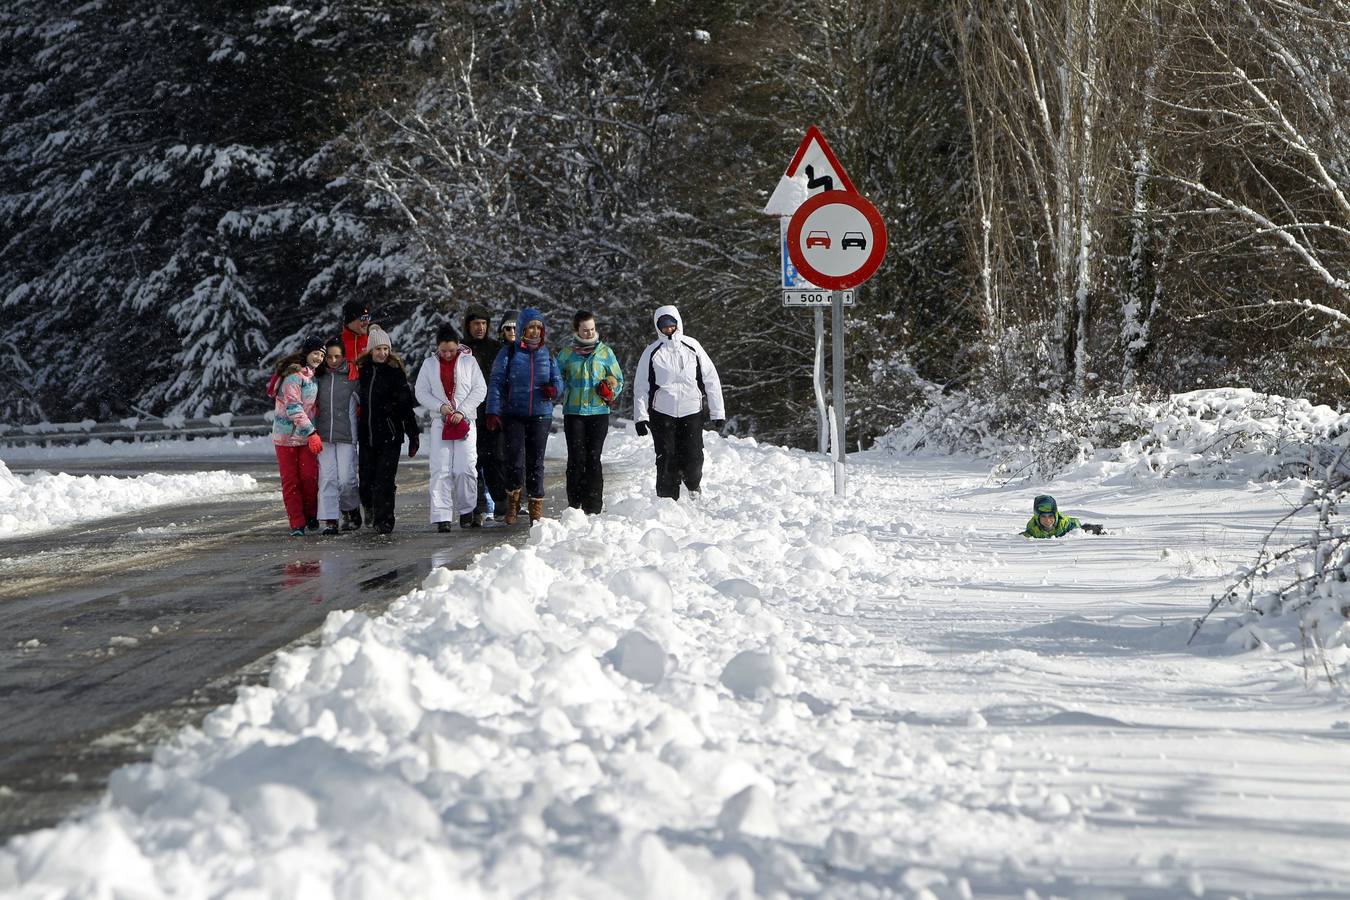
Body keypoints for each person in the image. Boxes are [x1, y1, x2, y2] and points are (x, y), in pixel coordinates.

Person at [632, 304, 725, 500]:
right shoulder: (651, 352)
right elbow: (641, 387)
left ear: (678, 324)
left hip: (691, 410)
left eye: (671, 325)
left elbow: (711, 379)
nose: (668, 329)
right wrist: (641, 417)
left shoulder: (693, 346)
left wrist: (718, 412)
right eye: (663, 326)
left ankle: (693, 484)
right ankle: (667, 500)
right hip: (662, 412)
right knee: (666, 457)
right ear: (658, 327)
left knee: (693, 457)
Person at [485, 308, 562, 525]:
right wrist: (493, 410)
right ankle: (513, 503)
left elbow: (558, 381)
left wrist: (553, 390)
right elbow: (497, 382)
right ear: (522, 329)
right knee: (515, 462)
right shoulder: (509, 353)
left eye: (539, 327)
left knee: (536, 463)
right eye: (531, 327)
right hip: (514, 415)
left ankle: (536, 506)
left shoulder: (548, 354)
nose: (535, 331)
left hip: (541, 415)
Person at [415, 323, 488, 532]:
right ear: (437, 347)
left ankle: (467, 509)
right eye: (443, 350)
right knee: (441, 469)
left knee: (465, 468)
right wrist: (441, 407)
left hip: (465, 421)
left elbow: (480, 389)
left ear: (458, 346)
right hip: (441, 421)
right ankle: (442, 515)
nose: (448, 354)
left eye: (452, 350)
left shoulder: (469, 362)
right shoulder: (429, 365)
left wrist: (462, 411)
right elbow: (421, 392)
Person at [556, 310, 624, 514]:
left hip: (598, 413)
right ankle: (575, 504)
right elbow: (556, 379)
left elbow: (618, 380)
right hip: (574, 413)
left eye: (592, 329)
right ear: (576, 330)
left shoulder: (605, 353)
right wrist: (553, 389)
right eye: (585, 330)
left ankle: (593, 505)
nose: (589, 333)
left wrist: (610, 390)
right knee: (576, 457)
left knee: (593, 457)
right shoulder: (567, 354)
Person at [356, 325, 420, 535]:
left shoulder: (395, 374)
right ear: (370, 351)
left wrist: (413, 434)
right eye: (378, 349)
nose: (382, 353)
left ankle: (385, 520)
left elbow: (406, 407)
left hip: (390, 435)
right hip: (367, 436)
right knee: (366, 480)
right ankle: (371, 509)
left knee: (384, 480)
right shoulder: (362, 372)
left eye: (385, 349)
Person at [269, 337, 325, 536]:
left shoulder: (313, 376)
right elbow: (293, 407)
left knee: (310, 478)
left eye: (321, 354)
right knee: (291, 481)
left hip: (303, 437)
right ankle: (297, 523)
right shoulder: (294, 376)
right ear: (307, 353)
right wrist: (311, 431)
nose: (318, 357)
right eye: (315, 353)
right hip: (286, 438)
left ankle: (311, 515)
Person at [462, 305, 506, 526]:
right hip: (469, 413)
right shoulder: (461, 350)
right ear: (468, 325)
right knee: (472, 461)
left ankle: (500, 501)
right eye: (475, 324)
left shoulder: (496, 348)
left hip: (493, 411)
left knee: (495, 458)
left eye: (483, 324)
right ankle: (476, 506)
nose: (480, 328)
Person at [313, 338, 362, 534]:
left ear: (344, 356)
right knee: (327, 478)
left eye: (337, 356)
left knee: (347, 479)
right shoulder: (318, 377)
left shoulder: (352, 377)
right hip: (323, 435)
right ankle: (330, 519)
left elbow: (365, 401)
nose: (333, 360)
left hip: (347, 436)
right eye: (329, 356)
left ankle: (351, 509)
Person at [1021, 494, 1105, 538]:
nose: (1047, 520)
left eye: (1050, 516)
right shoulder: (1032, 527)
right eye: (1043, 517)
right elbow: (1023, 537)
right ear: (1037, 517)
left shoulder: (1064, 523)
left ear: (1055, 515)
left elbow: (1075, 524)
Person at [340, 300, 372, 382]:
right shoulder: (337, 344)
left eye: (368, 317)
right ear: (349, 321)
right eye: (363, 318)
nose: (367, 322)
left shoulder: (372, 342)